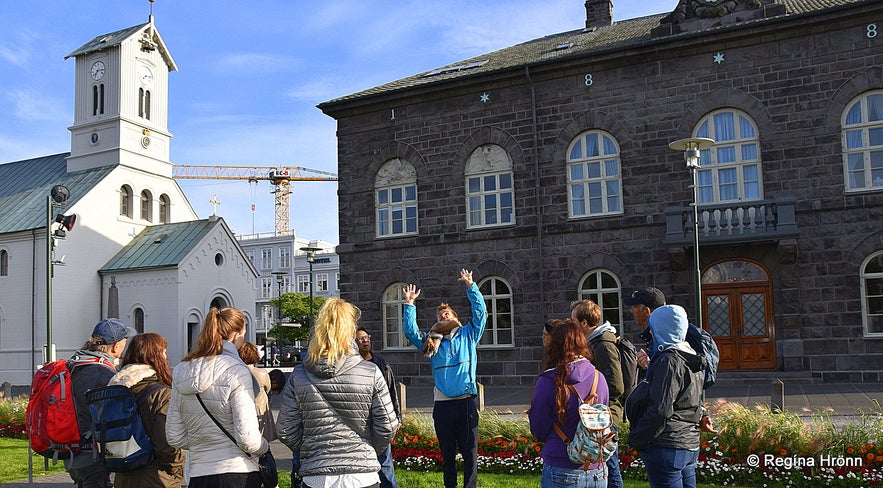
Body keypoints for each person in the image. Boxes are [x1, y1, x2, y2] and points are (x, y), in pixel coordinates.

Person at [277, 298, 397, 488]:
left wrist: (310, 450)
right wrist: (367, 449)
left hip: (317, 476)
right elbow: (388, 426)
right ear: (351, 330)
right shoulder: (370, 372)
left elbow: (285, 429)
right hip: (362, 475)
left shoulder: (299, 375)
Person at [402, 268, 487, 488]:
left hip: (466, 403)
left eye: (447, 313)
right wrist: (410, 305)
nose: (443, 315)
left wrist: (471, 286)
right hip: (443, 406)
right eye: (440, 315)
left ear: (456, 318)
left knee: (470, 455)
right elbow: (411, 331)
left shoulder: (469, 334)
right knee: (447, 456)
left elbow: (481, 313)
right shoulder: (431, 342)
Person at [166, 307, 268, 488]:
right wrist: (264, 447)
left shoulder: (182, 370)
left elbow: (174, 436)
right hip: (237, 470)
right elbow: (247, 438)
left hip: (198, 473)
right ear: (238, 334)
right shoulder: (236, 370)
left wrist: (203, 442)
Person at [625, 304, 704, 488]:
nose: (651, 333)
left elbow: (661, 408)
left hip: (667, 443)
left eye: (653, 328)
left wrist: (637, 437)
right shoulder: (691, 355)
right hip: (688, 442)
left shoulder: (669, 359)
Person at [529, 318, 610, 488]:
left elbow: (538, 427)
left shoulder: (548, 380)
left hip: (561, 463)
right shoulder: (598, 377)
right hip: (597, 468)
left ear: (555, 346)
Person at [624, 287, 717, 435]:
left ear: (647, 311)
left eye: (635, 306)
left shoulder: (667, 342)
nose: (631, 310)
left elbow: (675, 389)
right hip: (678, 432)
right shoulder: (666, 338)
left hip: (670, 433)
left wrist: (637, 438)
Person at [108, 332, 185, 488]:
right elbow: (166, 444)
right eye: (163, 353)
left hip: (123, 474)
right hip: (156, 477)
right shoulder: (161, 395)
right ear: (155, 357)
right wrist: (176, 468)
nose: (166, 357)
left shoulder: (115, 390)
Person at [66, 318, 135, 488]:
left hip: (72, 450)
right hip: (92, 454)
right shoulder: (102, 373)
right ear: (115, 346)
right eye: (124, 341)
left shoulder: (76, 363)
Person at [571, 299, 624, 488]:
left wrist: (596, 395)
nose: (572, 325)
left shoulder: (603, 345)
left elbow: (617, 386)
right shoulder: (595, 342)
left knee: (610, 467)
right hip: (599, 416)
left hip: (606, 417)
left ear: (584, 323)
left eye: (574, 321)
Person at [356, 327, 401, 488]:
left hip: (380, 419)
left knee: (385, 462)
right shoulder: (352, 365)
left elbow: (391, 391)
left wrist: (397, 416)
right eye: (360, 338)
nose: (365, 340)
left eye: (366, 337)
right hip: (360, 422)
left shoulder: (380, 363)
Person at [239, 342, 277, 443]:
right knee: (262, 440)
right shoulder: (262, 373)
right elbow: (268, 389)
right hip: (260, 408)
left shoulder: (236, 373)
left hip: (242, 408)